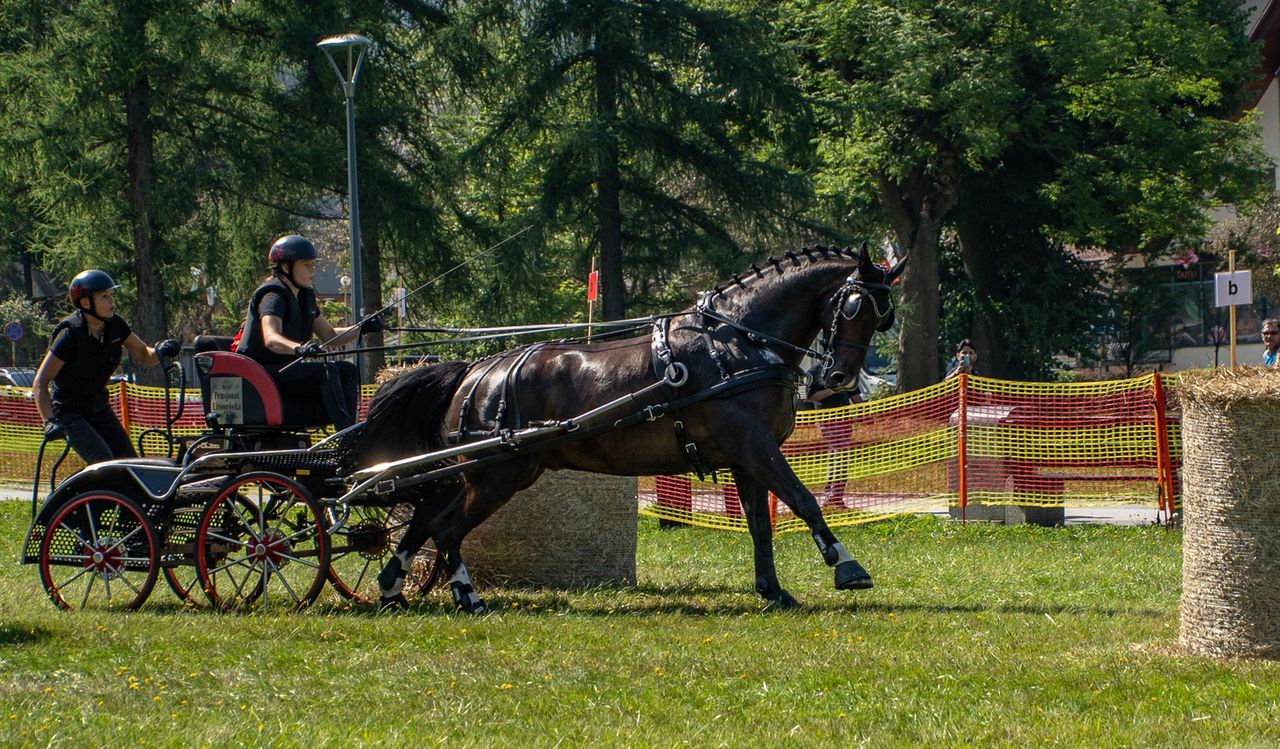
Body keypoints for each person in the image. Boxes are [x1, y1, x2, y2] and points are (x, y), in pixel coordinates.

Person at [236, 234, 384, 429]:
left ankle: (350, 429)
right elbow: (271, 338)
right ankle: (345, 434)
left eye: (313, 265)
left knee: (347, 369)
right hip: (260, 374)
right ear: (286, 267)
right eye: (306, 265)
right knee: (326, 371)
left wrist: (362, 328)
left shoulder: (305, 297)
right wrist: (299, 349)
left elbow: (329, 336)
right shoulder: (273, 296)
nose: (312, 271)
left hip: (285, 372)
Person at [33, 270, 181, 464]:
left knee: (129, 463)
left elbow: (145, 355)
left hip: (98, 406)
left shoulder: (115, 325)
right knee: (102, 462)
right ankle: (90, 495)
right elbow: (40, 383)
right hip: (69, 411)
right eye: (104, 296)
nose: (112, 301)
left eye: (112, 295)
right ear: (86, 303)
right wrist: (49, 421)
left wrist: (161, 351)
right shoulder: (70, 335)